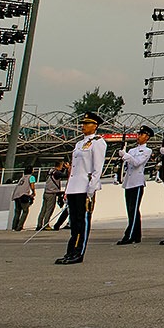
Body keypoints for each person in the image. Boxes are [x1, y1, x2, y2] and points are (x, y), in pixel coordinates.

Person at [56, 113, 107, 265]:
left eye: (87, 123)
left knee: (82, 221)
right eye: (83, 123)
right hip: (74, 187)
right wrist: (67, 190)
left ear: (95, 126)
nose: (83, 126)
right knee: (74, 222)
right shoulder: (79, 144)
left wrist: (91, 190)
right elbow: (74, 169)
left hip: (85, 187)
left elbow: (97, 169)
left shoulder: (98, 143)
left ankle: (78, 252)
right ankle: (70, 251)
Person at [37, 163, 65, 231]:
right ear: (60, 166)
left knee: (43, 210)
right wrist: (67, 169)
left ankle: (39, 225)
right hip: (52, 193)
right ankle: (46, 224)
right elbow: (66, 175)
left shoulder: (51, 171)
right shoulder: (57, 173)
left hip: (46, 192)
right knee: (49, 209)